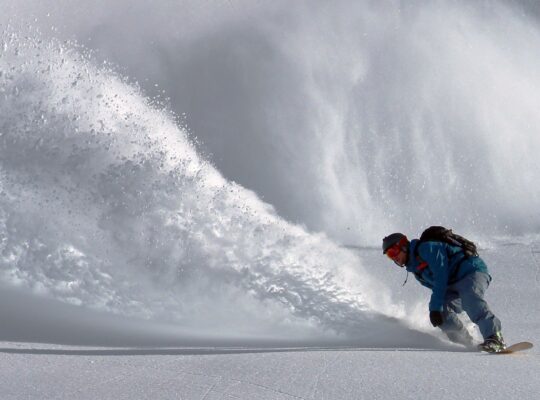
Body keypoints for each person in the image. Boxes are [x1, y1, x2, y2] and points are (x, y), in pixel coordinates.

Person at [382, 232, 506, 352]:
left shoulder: (427, 248)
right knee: (442, 313)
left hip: (471, 272)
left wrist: (435, 307)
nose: (394, 258)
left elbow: (440, 277)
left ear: (403, 246)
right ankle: (466, 343)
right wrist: (437, 309)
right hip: (452, 285)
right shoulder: (416, 270)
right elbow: (439, 289)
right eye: (389, 256)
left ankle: (495, 338)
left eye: (393, 252)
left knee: (470, 299)